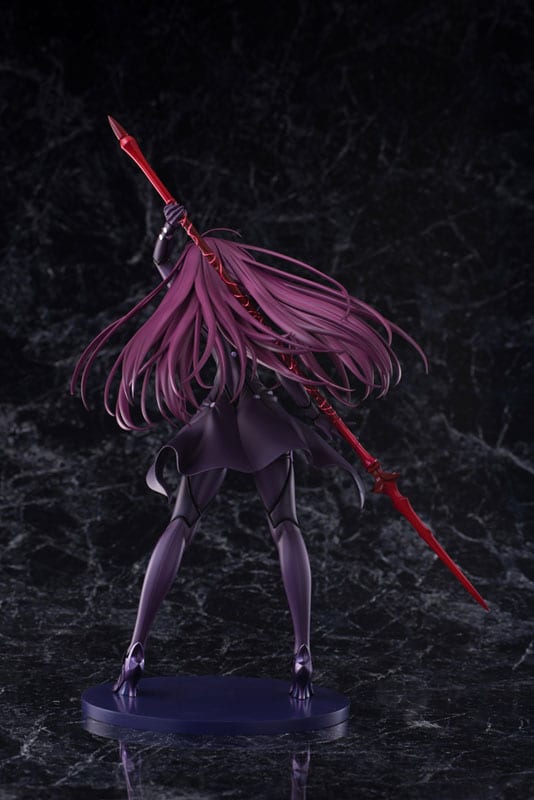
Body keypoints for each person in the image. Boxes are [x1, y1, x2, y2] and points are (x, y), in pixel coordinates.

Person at [72, 202, 425, 699]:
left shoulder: (213, 313)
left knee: (183, 522)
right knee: (285, 525)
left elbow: (166, 268)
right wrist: (314, 412)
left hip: (219, 418)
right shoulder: (262, 321)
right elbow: (297, 392)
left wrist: (167, 235)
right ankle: (302, 651)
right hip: (261, 423)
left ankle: (136, 649)